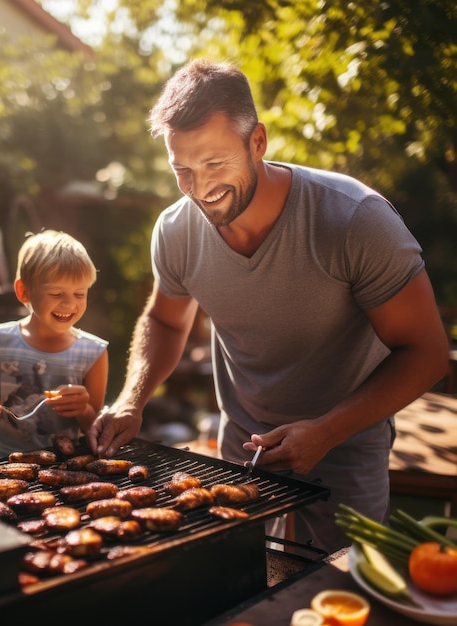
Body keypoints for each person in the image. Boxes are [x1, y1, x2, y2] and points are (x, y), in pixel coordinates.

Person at [87, 58, 449, 553]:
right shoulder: (175, 231)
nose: (199, 190)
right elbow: (165, 322)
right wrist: (131, 399)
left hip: (347, 439)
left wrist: (325, 431)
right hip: (243, 443)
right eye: (182, 170)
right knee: (243, 583)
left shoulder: (354, 220)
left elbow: (426, 352)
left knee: (339, 588)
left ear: (257, 142)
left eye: (215, 164)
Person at [0, 229, 109, 457]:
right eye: (56, 294)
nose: (69, 304)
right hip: (9, 467)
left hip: (68, 470)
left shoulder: (93, 352)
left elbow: (95, 427)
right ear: (24, 291)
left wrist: (83, 409)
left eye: (80, 294)